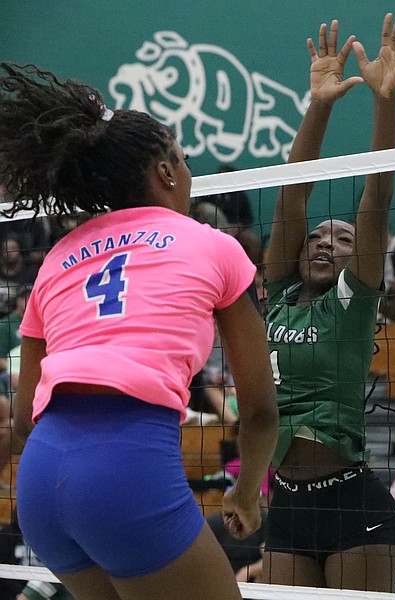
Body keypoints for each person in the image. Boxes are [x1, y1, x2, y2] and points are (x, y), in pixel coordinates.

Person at [0, 62, 278, 600]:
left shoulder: (58, 257)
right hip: (127, 469)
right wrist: (247, 494)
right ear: (166, 171)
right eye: (184, 159)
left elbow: (28, 412)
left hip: (41, 484)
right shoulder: (214, 244)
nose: (189, 171)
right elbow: (261, 409)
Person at [259, 15, 395, 591]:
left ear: (358, 257)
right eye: (317, 236)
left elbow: (377, 196)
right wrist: (319, 104)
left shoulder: (353, 301)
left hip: (353, 507)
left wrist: (384, 100)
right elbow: (291, 197)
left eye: (342, 239)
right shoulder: (278, 293)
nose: (324, 241)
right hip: (287, 502)